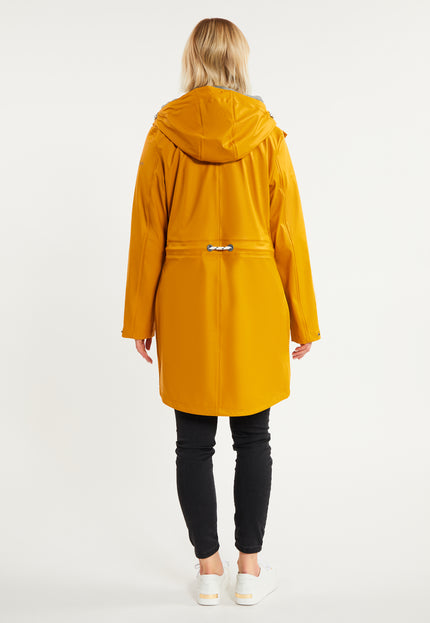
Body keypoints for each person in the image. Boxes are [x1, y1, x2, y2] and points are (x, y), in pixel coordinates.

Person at [121, 17, 321, 606]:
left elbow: (147, 231)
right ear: (239, 61)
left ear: (193, 60)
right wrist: (304, 319)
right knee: (254, 437)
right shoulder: (266, 135)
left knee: (192, 442)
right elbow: (289, 233)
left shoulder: (165, 132)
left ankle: (209, 571)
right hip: (255, 299)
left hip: (184, 300)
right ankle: (249, 572)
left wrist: (140, 319)